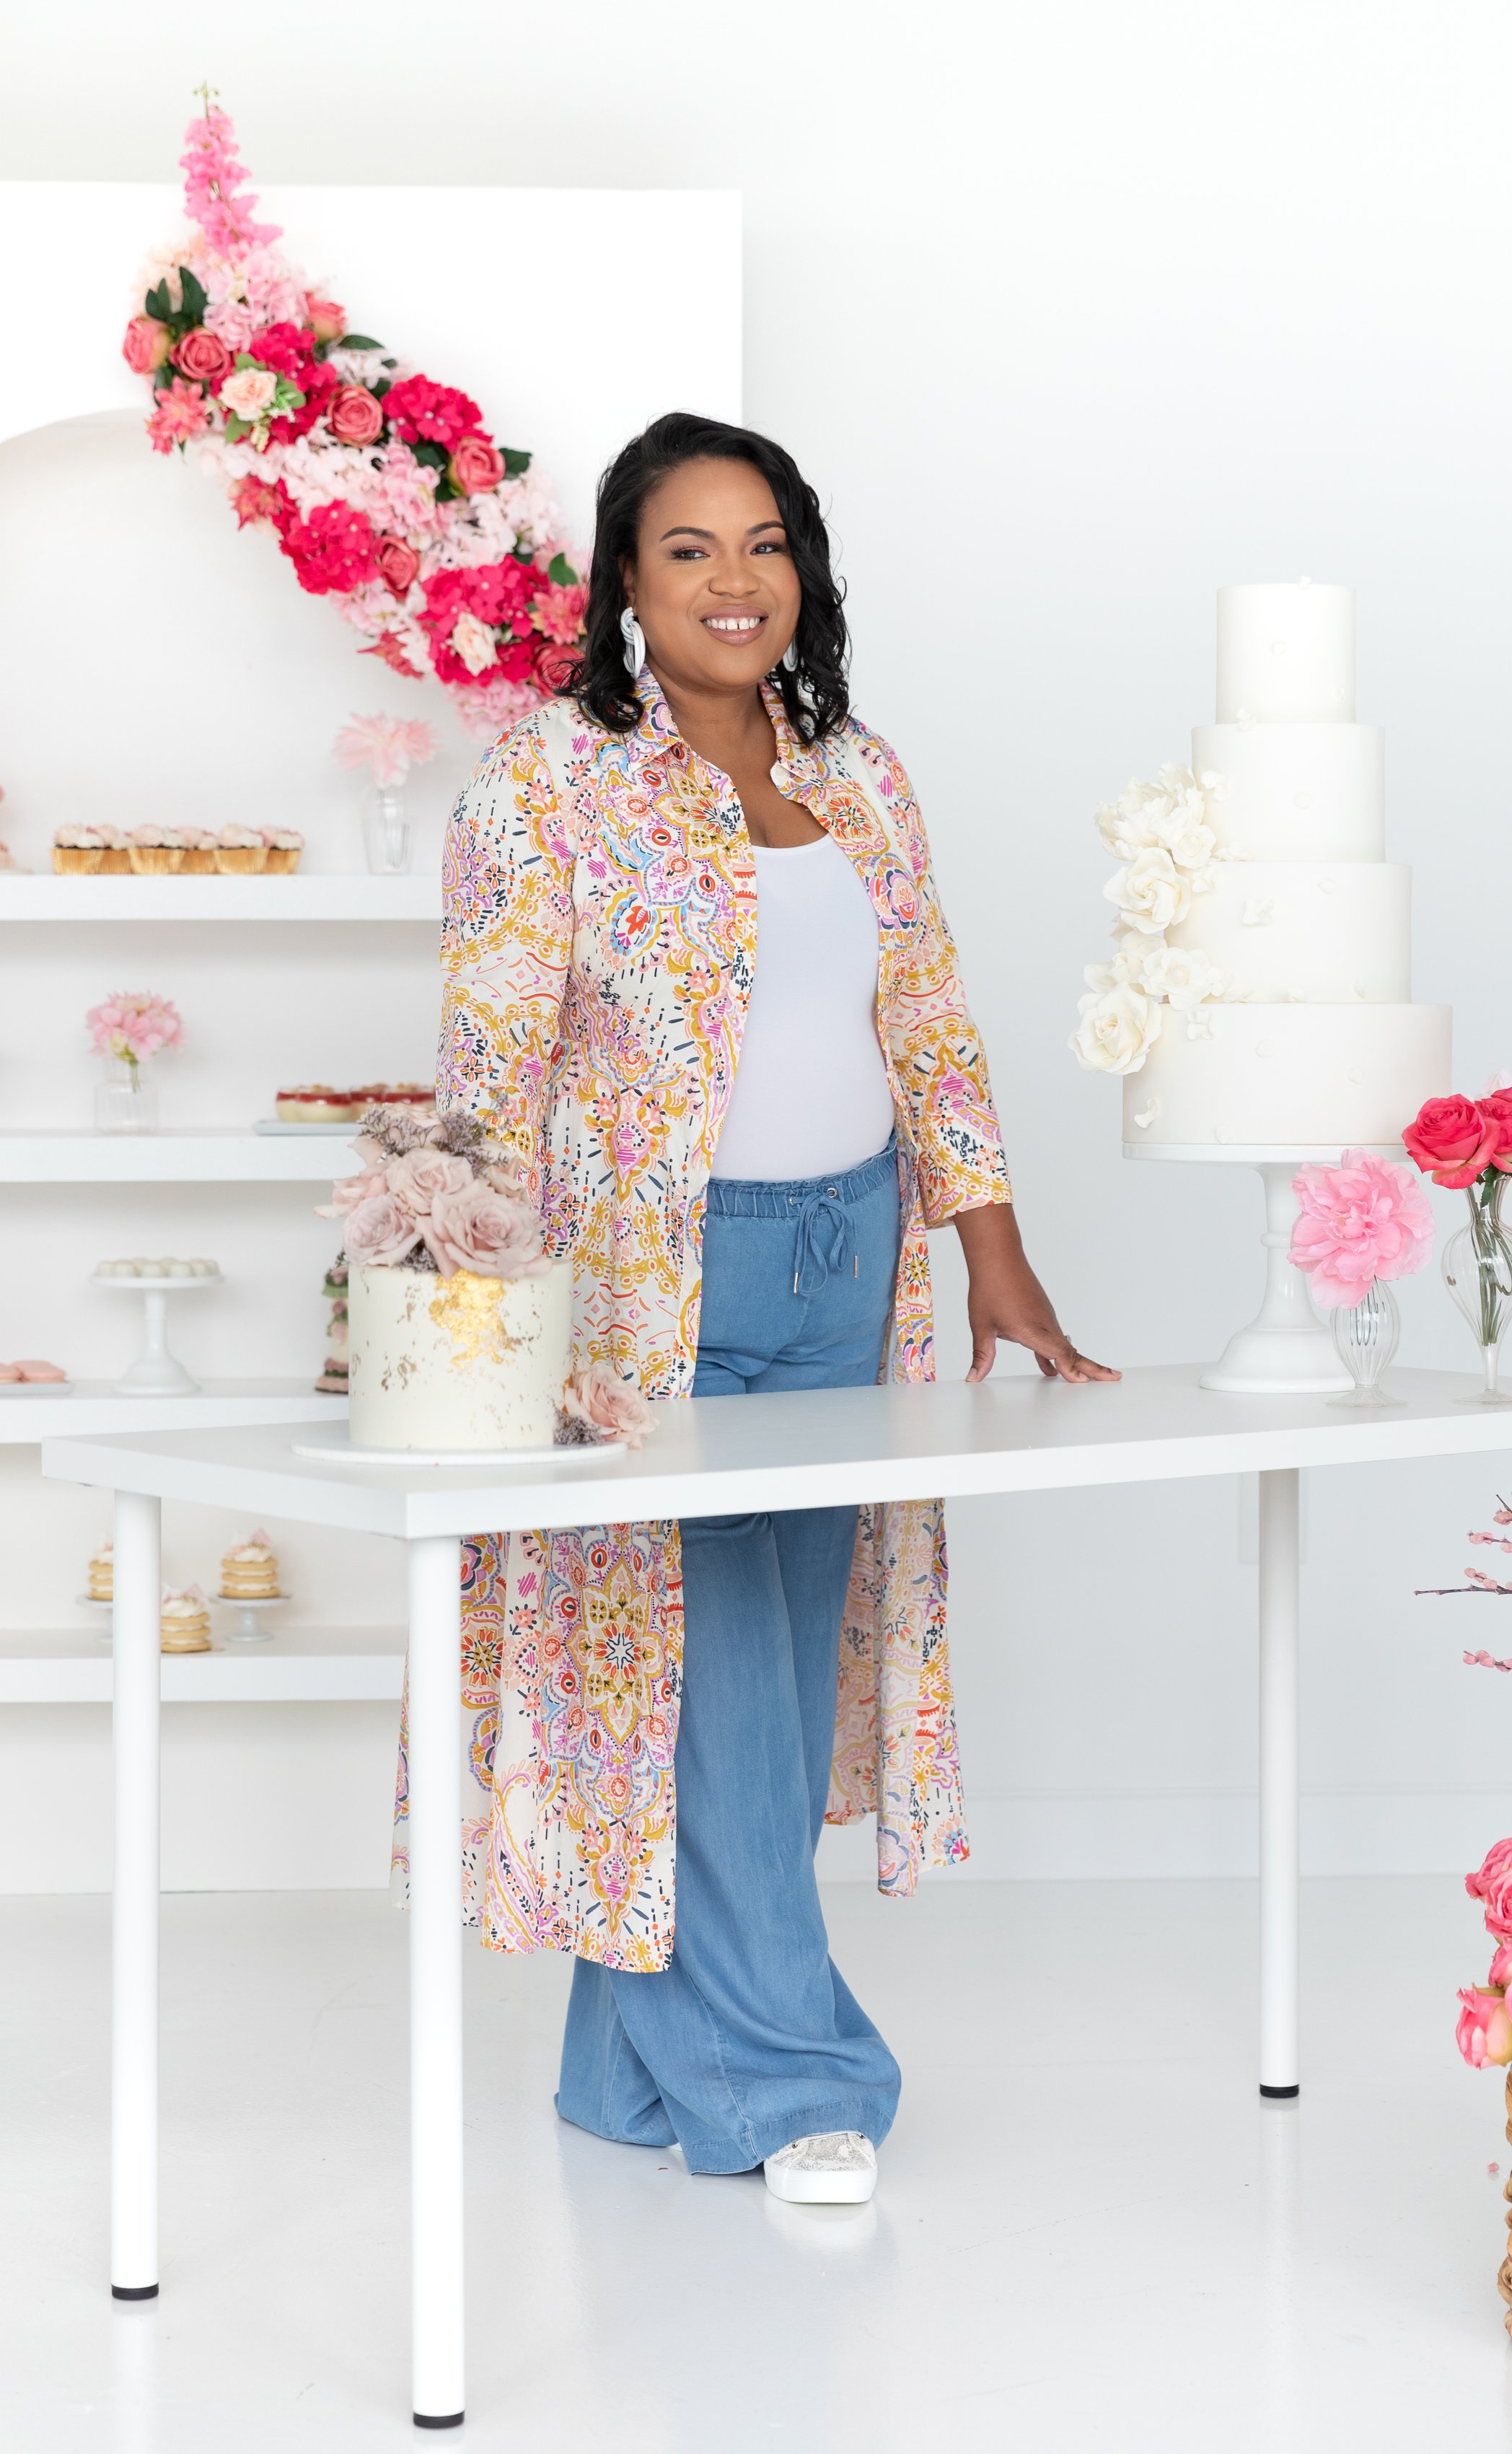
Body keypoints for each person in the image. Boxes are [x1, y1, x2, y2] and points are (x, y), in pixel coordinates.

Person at [435, 410, 1115, 2204]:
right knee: (717, 1684)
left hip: (850, 1271)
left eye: (762, 543)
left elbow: (931, 1018)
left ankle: (620, 2076)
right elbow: (491, 1071)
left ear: (800, 566)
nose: (734, 582)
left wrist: (992, 1250)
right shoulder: (546, 780)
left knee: (770, 1692)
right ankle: (793, 2081)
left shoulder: (862, 771)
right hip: (658, 1292)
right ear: (624, 583)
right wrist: (485, 1311)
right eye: (687, 550)